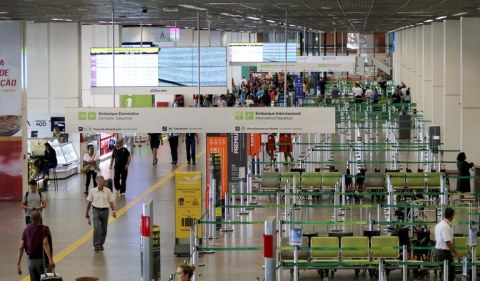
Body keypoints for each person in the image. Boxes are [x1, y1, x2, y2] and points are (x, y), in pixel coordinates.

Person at [17, 211, 55, 281]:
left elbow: (21, 247)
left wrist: (18, 264)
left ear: (31, 220)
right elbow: (45, 243)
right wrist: (50, 260)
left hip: (31, 262)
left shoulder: (26, 229)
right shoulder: (44, 229)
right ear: (40, 219)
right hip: (42, 261)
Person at [85, 176, 117, 252]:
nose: (102, 183)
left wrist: (114, 211)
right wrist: (86, 213)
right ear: (97, 182)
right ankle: (96, 245)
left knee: (104, 229)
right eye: (101, 181)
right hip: (96, 210)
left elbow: (111, 202)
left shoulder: (108, 191)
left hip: (105, 211)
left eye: (103, 181)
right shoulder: (92, 191)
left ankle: (100, 244)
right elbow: (89, 203)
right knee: (97, 228)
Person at [435, 207, 461, 281]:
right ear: (452, 216)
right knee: (450, 272)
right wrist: (456, 254)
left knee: (445, 270)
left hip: (438, 251)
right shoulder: (446, 226)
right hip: (444, 252)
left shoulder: (438, 225)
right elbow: (448, 242)